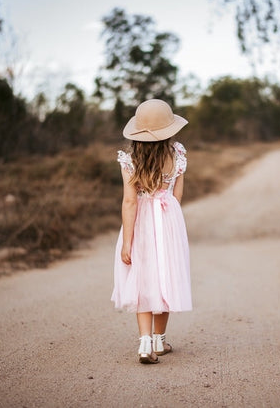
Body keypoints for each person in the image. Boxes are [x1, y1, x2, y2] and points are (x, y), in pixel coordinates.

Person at [111, 99, 192, 364]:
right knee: (164, 277)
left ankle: (145, 344)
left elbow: (130, 201)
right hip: (168, 220)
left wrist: (127, 241)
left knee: (142, 279)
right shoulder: (177, 154)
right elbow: (176, 196)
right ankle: (160, 340)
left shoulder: (130, 160)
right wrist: (169, 225)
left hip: (141, 223)